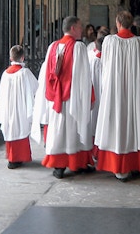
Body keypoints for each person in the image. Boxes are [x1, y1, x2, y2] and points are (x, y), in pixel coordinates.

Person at [95, 10, 140, 182]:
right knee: (134, 125)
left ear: (118, 23)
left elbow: (105, 67)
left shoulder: (109, 41)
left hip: (114, 91)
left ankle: (118, 166)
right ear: (132, 24)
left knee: (116, 125)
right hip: (134, 92)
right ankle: (135, 164)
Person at [31, 16, 95, 179]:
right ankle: (76, 163)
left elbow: (47, 75)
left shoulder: (53, 47)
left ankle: (59, 166)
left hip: (56, 98)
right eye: (80, 27)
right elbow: (84, 76)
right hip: (72, 98)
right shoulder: (79, 48)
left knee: (58, 130)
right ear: (73, 28)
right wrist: (88, 96)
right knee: (74, 130)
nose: (81, 30)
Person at [0, 45, 39, 169]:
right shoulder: (25, 73)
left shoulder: (5, 74)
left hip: (9, 109)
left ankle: (12, 158)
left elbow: (2, 94)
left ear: (10, 58)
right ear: (23, 57)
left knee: (11, 130)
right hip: (21, 109)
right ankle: (19, 157)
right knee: (21, 128)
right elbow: (36, 87)